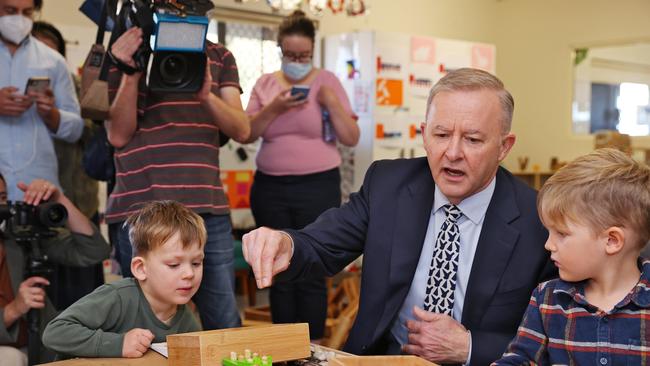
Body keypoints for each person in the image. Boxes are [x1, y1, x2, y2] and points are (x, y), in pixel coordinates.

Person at [242, 68, 557, 365]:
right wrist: (286, 243)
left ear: (504, 146)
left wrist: (470, 347)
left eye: (473, 140)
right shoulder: (388, 184)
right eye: (441, 134)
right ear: (423, 134)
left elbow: (555, 338)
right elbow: (322, 244)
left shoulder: (539, 220)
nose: (453, 153)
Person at [104, 19, 250, 329]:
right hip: (140, 211)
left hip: (206, 207)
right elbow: (117, 135)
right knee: (140, 323)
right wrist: (131, 70)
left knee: (223, 319)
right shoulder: (127, 50)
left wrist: (206, 96)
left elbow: (242, 128)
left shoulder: (219, 55)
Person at [244, 10, 359, 341]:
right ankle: (284, 345)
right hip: (271, 187)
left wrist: (332, 104)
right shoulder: (266, 84)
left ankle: (313, 347)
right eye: (291, 55)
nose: (297, 61)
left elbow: (351, 136)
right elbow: (247, 133)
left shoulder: (327, 81)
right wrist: (274, 108)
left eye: (304, 55)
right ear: (280, 49)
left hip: (318, 185)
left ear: (312, 51)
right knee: (274, 267)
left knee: (312, 267)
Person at [492, 148, 650, 365]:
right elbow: (520, 358)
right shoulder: (546, 300)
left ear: (612, 241)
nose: (548, 244)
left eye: (562, 234)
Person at [43, 200, 205, 359]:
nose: (189, 274)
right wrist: (119, 344)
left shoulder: (186, 320)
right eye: (174, 264)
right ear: (141, 269)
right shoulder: (118, 297)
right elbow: (54, 332)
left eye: (196, 263)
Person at [31, 20, 104, 310]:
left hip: (76, 207)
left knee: (82, 299)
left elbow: (96, 136)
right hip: (26, 208)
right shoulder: (7, 89)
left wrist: (56, 115)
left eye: (49, 53)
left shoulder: (76, 88)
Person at [0, 172, 110, 365]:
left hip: (42, 345)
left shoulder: (17, 236)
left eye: (1, 198)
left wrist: (59, 199)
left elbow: (94, 250)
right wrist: (14, 309)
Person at [0, 0, 84, 202]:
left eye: (27, 12)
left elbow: (76, 129)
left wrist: (51, 114)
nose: (19, 19)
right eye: (11, 11)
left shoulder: (53, 61)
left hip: (39, 186)